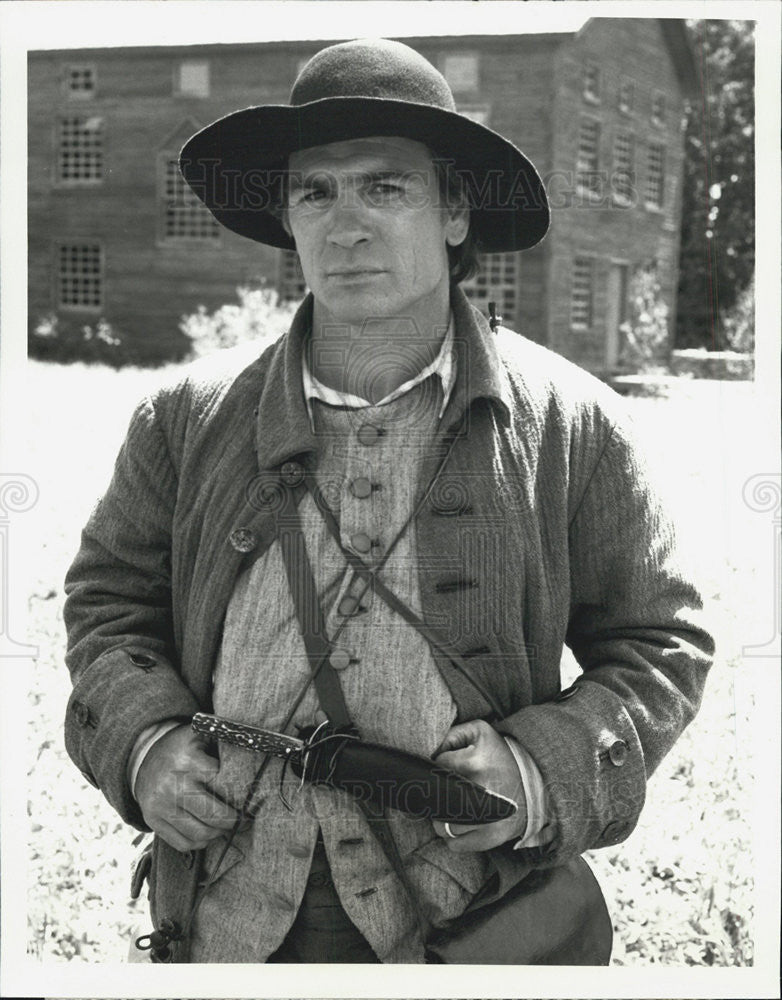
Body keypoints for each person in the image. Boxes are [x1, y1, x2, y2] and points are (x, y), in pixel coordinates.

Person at [63, 38, 714, 964]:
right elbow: (106, 604)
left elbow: (660, 644)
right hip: (226, 910)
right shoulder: (185, 418)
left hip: (467, 911)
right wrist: (146, 742)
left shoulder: (573, 423)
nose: (347, 224)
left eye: (386, 187)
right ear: (287, 217)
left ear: (454, 211)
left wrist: (539, 772)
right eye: (315, 192)